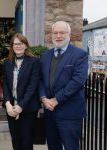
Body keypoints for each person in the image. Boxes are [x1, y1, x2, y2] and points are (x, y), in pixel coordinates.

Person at [39, 21, 89, 150]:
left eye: (62, 33)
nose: (58, 36)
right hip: (50, 112)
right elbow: (41, 81)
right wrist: (43, 98)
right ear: (51, 35)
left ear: (69, 35)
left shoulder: (80, 55)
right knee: (53, 147)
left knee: (70, 147)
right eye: (55, 33)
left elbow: (77, 81)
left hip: (70, 113)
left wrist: (56, 99)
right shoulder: (45, 56)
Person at [2, 33, 41, 150]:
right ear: (12, 46)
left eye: (21, 43)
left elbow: (32, 86)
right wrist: (8, 103)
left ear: (25, 46)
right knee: (16, 140)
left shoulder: (34, 61)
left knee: (26, 141)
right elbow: (5, 84)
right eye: (15, 44)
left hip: (28, 108)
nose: (18, 46)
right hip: (11, 108)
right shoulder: (7, 62)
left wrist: (21, 106)